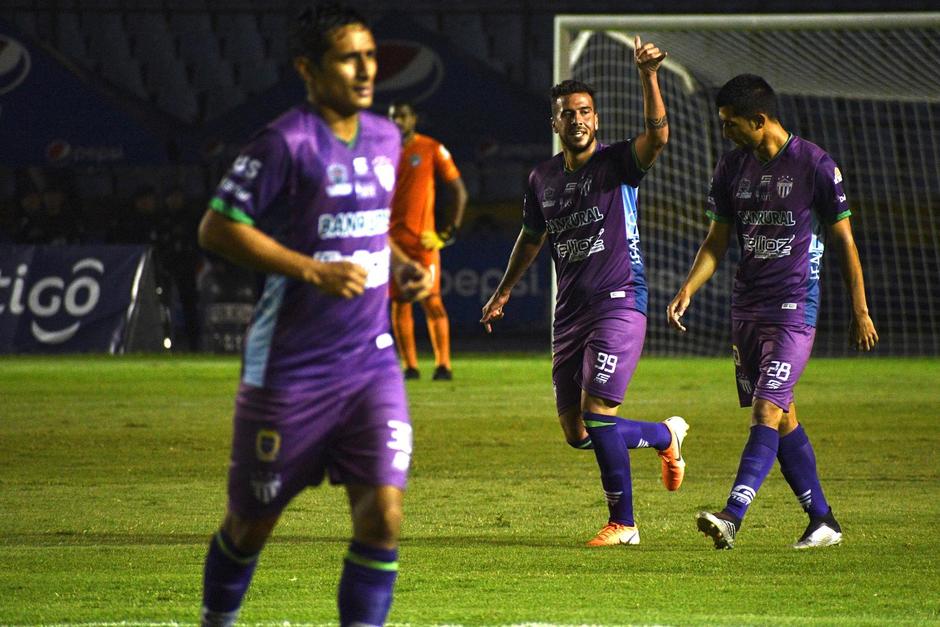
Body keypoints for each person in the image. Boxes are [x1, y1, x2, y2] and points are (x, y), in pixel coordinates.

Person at [196, 4, 431, 625]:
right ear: (308, 68)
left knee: (383, 516)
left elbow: (370, 231)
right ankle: (215, 619)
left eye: (371, 56)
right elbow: (217, 227)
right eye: (349, 57)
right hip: (291, 370)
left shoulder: (384, 136)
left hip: (369, 365)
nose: (365, 70)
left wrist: (401, 264)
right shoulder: (285, 141)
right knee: (250, 525)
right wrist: (314, 271)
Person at [480, 38, 689, 547]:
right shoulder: (542, 178)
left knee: (599, 415)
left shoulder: (618, 163)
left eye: (585, 111)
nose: (577, 118)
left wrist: (648, 77)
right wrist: (504, 292)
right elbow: (531, 239)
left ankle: (625, 524)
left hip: (619, 302)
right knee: (578, 433)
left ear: (595, 119)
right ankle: (665, 436)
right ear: (555, 123)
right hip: (570, 313)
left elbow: (658, 139)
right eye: (567, 113)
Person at [666, 74, 879, 550]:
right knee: (783, 417)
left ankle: (732, 515)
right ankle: (823, 521)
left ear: (759, 120)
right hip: (746, 310)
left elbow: (844, 240)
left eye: (731, 124)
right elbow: (717, 241)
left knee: (766, 409)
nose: (726, 132)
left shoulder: (815, 166)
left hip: (793, 308)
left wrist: (860, 309)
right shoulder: (731, 169)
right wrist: (688, 290)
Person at [387, 100, 468, 381]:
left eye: (403, 115)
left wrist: (447, 233)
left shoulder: (432, 148)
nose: (397, 120)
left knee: (432, 300)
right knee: (399, 304)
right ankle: (409, 366)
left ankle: (443, 365)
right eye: (394, 116)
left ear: (414, 119)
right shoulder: (381, 150)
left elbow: (458, 190)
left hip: (423, 242)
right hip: (392, 244)